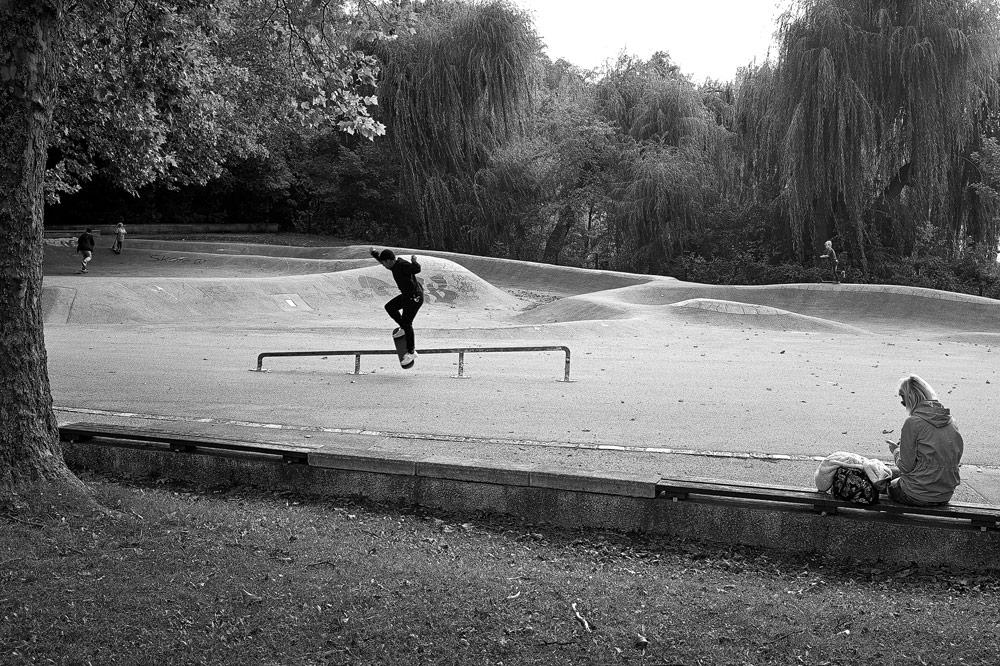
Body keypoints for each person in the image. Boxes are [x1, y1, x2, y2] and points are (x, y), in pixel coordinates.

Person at [886, 374, 964, 506]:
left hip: (917, 494)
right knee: (896, 475)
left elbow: (905, 467)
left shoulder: (913, 422)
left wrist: (896, 451)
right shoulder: (950, 420)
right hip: (945, 494)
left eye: (902, 397)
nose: (902, 402)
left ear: (910, 397)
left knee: (885, 480)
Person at [370, 247, 424, 365]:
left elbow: (416, 269)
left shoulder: (402, 265)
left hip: (415, 298)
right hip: (407, 296)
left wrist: (414, 261)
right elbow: (381, 258)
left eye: (384, 264)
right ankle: (403, 328)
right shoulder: (392, 264)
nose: (384, 266)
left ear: (389, 261)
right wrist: (374, 253)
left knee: (407, 323)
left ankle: (411, 352)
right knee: (390, 307)